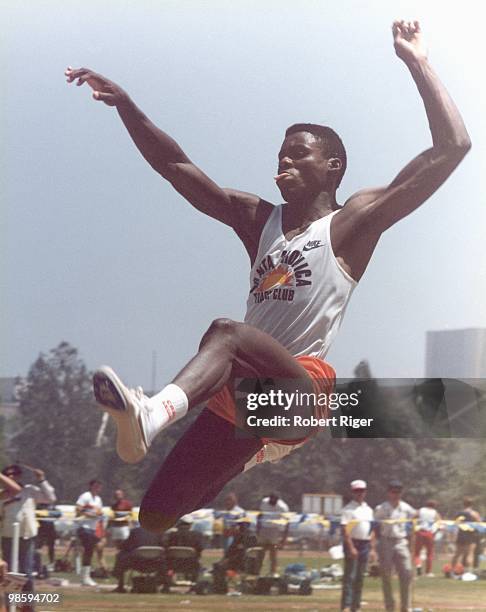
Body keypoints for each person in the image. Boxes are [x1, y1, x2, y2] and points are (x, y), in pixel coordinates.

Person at [65, 20, 471, 535]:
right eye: (280, 153)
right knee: (157, 515)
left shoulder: (353, 222)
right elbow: (175, 166)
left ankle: (154, 411)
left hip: (302, 391)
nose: (283, 160)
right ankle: (250, 452)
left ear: (333, 166)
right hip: (250, 399)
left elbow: (452, 147)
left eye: (298, 153)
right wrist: (127, 106)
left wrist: (417, 59)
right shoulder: (258, 219)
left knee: (226, 332)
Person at [0, 465, 56, 594]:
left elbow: (50, 498)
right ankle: (10, 604)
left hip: (26, 535)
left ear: (19, 475)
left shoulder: (30, 490)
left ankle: (27, 605)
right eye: (8, 475)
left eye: (14, 474)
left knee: (26, 572)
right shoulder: (2, 494)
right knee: (9, 572)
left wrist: (42, 480)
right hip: (8, 535)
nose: (11, 477)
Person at [374, 480, 416, 612]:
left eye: (398, 492)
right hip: (386, 540)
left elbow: (414, 521)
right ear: (388, 492)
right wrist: (375, 546)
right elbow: (375, 526)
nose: (396, 494)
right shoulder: (381, 508)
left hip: (400, 540)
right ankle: (389, 606)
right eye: (393, 492)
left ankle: (406, 606)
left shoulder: (406, 508)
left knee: (407, 572)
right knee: (386, 574)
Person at [340, 480, 376, 612]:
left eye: (362, 491)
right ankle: (347, 606)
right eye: (357, 491)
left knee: (360, 577)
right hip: (353, 543)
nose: (360, 493)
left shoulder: (368, 509)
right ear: (352, 492)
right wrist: (351, 547)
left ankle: (356, 605)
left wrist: (372, 549)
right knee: (350, 576)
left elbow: (372, 529)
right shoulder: (348, 509)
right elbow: (345, 530)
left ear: (365, 492)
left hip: (365, 544)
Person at [111, 525, 164, 593]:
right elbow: (162, 546)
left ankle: (120, 585)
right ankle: (166, 587)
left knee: (120, 556)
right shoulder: (159, 532)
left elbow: (125, 546)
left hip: (137, 563)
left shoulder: (135, 531)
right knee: (164, 558)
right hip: (155, 563)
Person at [75, 479, 104, 586]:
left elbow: (99, 512)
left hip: (93, 528)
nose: (97, 488)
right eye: (95, 486)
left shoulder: (98, 499)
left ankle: (85, 576)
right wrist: (89, 514)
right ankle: (85, 577)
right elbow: (78, 509)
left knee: (91, 550)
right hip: (84, 526)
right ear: (90, 486)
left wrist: (98, 514)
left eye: (99, 486)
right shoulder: (85, 496)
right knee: (88, 550)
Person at [258, 493, 289, 575]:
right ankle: (257, 570)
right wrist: (258, 529)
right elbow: (260, 516)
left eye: (274, 501)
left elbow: (287, 522)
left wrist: (284, 538)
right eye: (270, 500)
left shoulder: (283, 507)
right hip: (264, 528)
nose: (271, 502)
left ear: (277, 500)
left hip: (275, 530)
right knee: (260, 552)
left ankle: (272, 572)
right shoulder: (264, 502)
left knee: (273, 553)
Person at [451, 497, 481, 574]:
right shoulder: (474, 513)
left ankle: (452, 571)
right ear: (472, 504)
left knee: (457, 553)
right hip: (470, 535)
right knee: (470, 553)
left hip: (461, 534)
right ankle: (468, 572)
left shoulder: (459, 513)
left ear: (463, 504)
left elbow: (454, 523)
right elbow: (479, 523)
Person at [414, 499, 441, 577]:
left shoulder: (420, 510)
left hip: (420, 532)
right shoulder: (435, 513)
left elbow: (413, 518)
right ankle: (428, 572)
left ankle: (418, 565)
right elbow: (439, 522)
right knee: (430, 553)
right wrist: (435, 531)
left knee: (417, 553)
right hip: (429, 533)